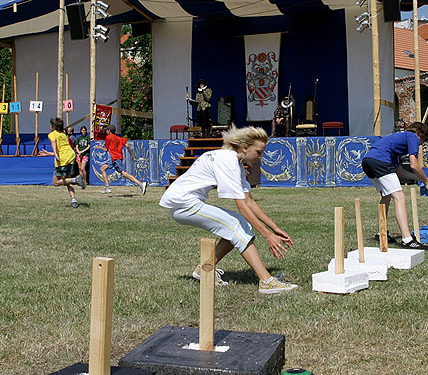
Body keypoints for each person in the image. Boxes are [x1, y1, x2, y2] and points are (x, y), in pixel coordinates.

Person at [159, 125, 298, 294]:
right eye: (259, 152)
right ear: (245, 148)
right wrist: (268, 236)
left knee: (241, 225)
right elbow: (241, 206)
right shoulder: (228, 160)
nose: (260, 157)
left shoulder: (235, 163)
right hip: (183, 204)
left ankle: (203, 270)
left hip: (185, 204)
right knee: (236, 224)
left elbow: (249, 201)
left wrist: (275, 229)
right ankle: (266, 281)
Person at [360, 122, 428, 249]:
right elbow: (414, 165)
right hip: (380, 161)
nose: (419, 145)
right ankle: (407, 240)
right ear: (420, 134)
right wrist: (427, 182)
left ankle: (382, 233)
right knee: (399, 197)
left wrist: (419, 178)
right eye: (421, 142)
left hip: (368, 161)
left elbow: (399, 171)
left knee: (387, 195)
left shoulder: (397, 141)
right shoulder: (412, 136)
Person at [48, 117, 86, 208]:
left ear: (53, 126)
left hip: (63, 159)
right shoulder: (63, 135)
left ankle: (76, 180)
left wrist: (56, 155)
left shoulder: (52, 134)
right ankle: (74, 200)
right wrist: (50, 153)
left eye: (51, 125)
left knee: (55, 182)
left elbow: (54, 144)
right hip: (70, 157)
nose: (49, 126)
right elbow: (63, 147)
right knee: (67, 181)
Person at [99, 124, 147, 195]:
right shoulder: (119, 138)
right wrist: (131, 155)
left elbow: (106, 150)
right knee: (102, 168)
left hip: (115, 158)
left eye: (107, 130)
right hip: (116, 158)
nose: (106, 131)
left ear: (109, 131)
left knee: (124, 173)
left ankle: (140, 184)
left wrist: (100, 148)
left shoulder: (108, 137)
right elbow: (127, 146)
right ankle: (107, 187)